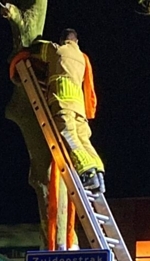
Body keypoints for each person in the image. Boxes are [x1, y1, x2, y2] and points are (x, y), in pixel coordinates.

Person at [30, 29, 105, 193]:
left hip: (63, 101)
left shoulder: (58, 50)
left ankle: (86, 172)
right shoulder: (83, 59)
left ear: (63, 40)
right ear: (76, 41)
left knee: (67, 134)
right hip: (79, 106)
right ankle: (98, 173)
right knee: (84, 140)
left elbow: (36, 50)